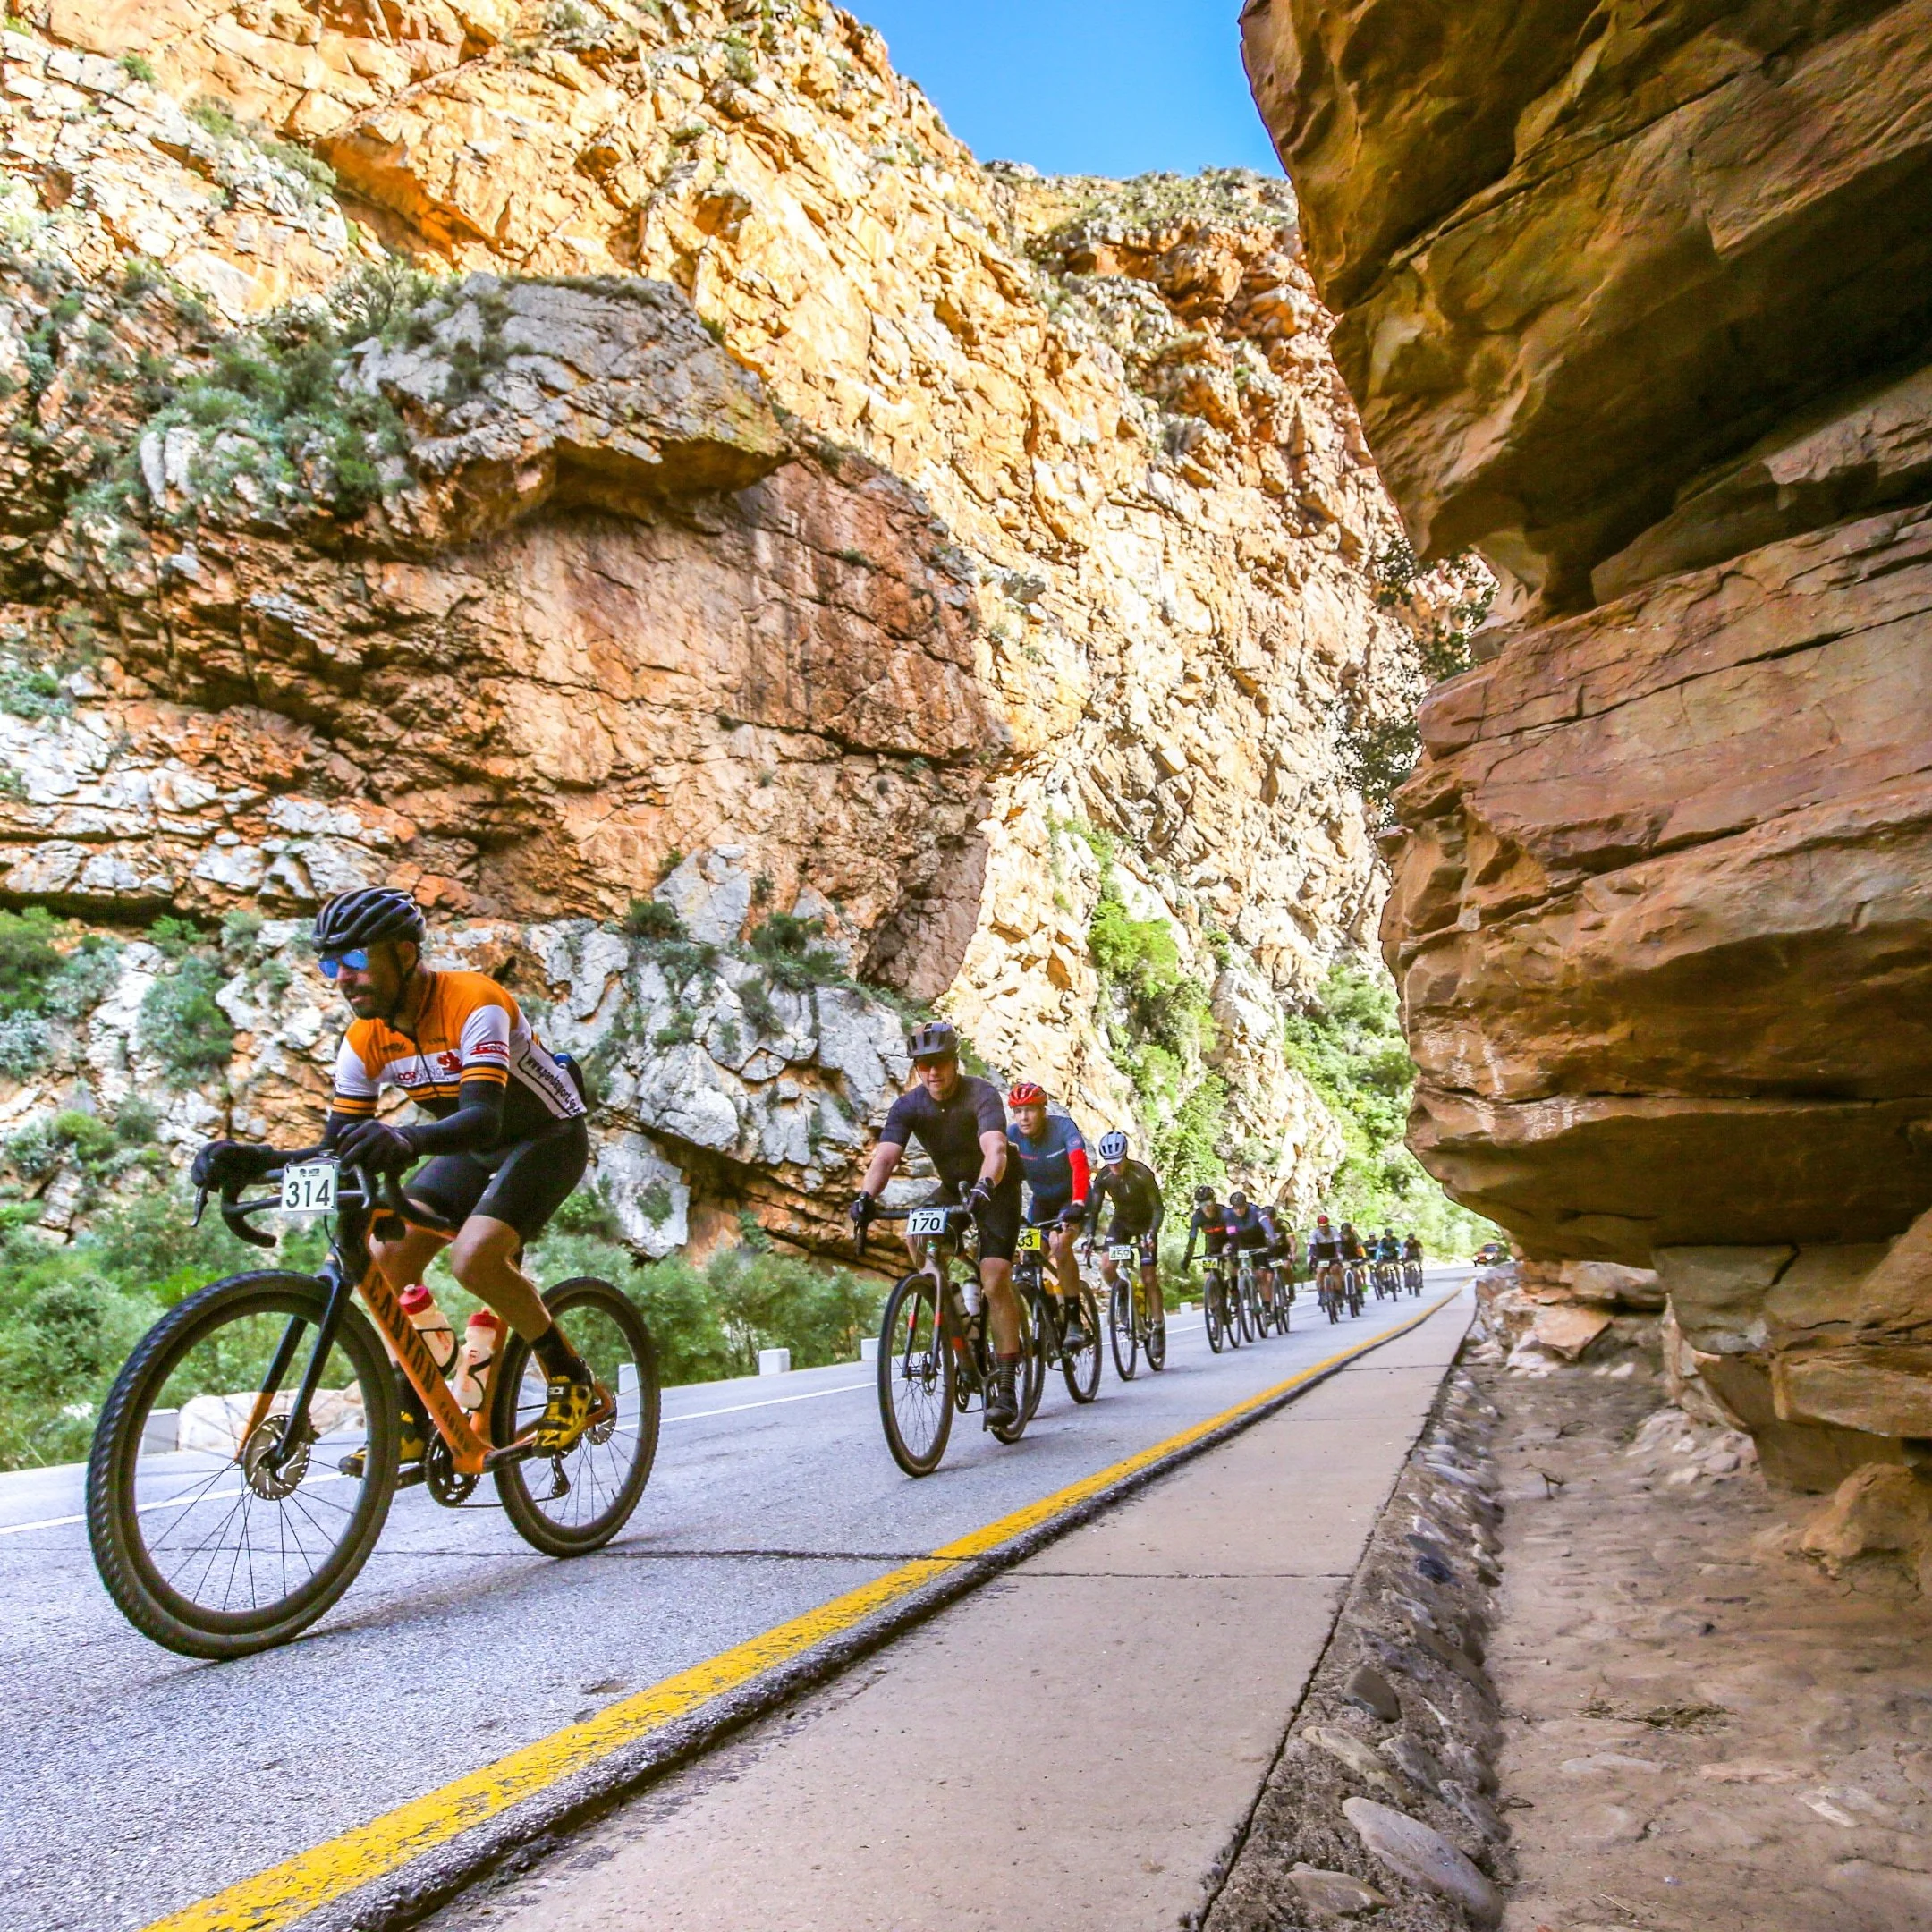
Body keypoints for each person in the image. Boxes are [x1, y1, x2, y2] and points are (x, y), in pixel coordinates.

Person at [191, 886, 599, 1470]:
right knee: (383, 1255)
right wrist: (258, 1159)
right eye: (331, 964)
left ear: (405, 955)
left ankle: (570, 1379)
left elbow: (483, 1117)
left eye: (356, 960)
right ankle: (416, 1404)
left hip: (546, 1137)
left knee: (475, 1260)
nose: (341, 978)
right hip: (470, 1146)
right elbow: (336, 1145)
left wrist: (406, 1139)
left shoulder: (475, 1002)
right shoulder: (363, 1040)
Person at [850, 1021, 1025, 1429]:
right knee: (916, 1234)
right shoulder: (909, 1106)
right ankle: (948, 1314)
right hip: (952, 1188)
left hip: (995, 1187)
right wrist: (865, 1198)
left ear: (954, 1062)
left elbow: (995, 1149)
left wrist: (984, 1186)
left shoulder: (980, 1093)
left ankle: (1005, 1384)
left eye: (940, 1063)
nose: (932, 1072)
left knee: (995, 1279)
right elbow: (885, 1157)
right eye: (923, 1065)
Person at [1005, 1081, 1093, 1351]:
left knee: (1060, 1246)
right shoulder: (1012, 1136)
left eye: (1029, 1110)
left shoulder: (1063, 1128)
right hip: (1041, 1205)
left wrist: (1078, 1203)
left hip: (1072, 1201)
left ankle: (1074, 1318)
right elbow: (1004, 1175)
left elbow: (1079, 1166)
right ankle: (1047, 1314)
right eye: (1017, 1111)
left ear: (1043, 1109)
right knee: (1027, 1260)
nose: (1023, 1117)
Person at [1082, 1130, 1165, 1343]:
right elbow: (1094, 1209)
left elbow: (1158, 1208)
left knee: (1149, 1278)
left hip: (1145, 1223)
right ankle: (1122, 1298)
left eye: (1118, 1161)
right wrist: (1090, 1235)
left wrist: (1151, 1233)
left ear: (1126, 1156)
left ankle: (1157, 1326)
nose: (1115, 1167)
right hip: (1121, 1223)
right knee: (1107, 1267)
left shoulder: (1142, 1173)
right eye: (1110, 1162)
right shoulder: (1104, 1176)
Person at [1224, 1188, 1281, 1314]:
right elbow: (1231, 1234)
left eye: (1241, 1207)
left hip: (1258, 1243)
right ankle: (1238, 1292)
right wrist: (1233, 1250)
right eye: (1236, 1208)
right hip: (1242, 1244)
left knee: (1261, 1275)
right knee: (1233, 1266)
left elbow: (1266, 1224)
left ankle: (1267, 1306)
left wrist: (1272, 1238)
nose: (1238, 1210)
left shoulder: (1255, 1210)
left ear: (1245, 1205)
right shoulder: (1229, 1215)